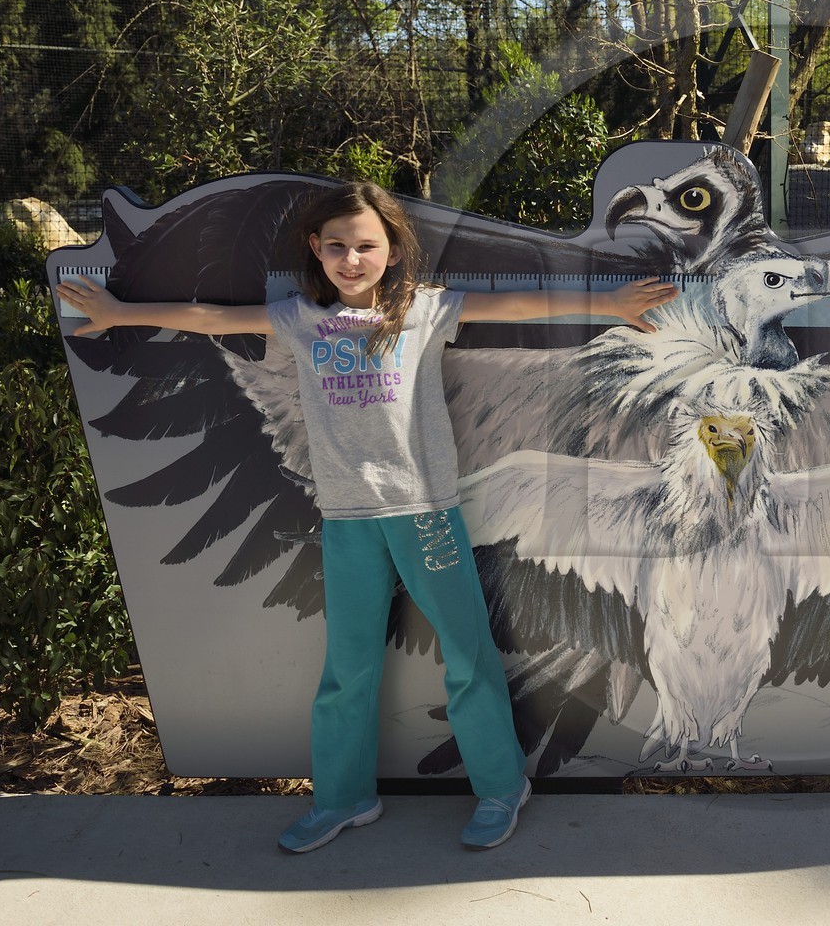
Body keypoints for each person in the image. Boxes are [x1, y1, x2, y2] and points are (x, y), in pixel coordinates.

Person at [56, 181, 678, 853]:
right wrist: (118, 312)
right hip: (348, 521)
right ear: (316, 251)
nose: (352, 259)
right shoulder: (299, 318)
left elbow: (519, 301)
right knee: (348, 669)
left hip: (426, 516)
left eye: (367, 246)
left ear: (391, 251)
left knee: (467, 657)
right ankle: (345, 800)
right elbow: (210, 317)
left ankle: (501, 787)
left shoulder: (424, 310)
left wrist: (610, 304)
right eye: (338, 247)